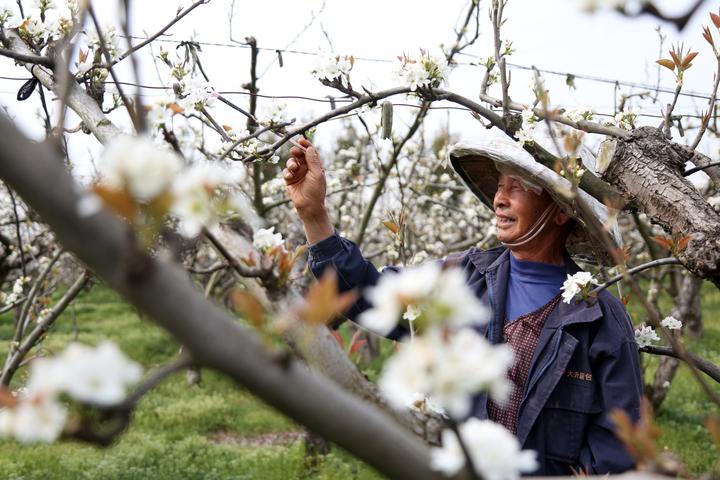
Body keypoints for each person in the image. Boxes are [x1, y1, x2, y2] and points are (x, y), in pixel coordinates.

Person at [283, 136, 642, 476]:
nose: (500, 199)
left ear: (561, 210)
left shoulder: (598, 319)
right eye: (500, 185)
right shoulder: (461, 278)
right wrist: (314, 215)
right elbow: (370, 294)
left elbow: (615, 452)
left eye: (516, 187)